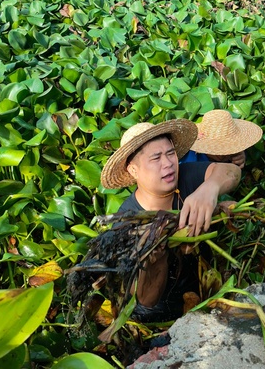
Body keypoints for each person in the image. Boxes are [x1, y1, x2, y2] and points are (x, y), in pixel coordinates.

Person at [99, 118, 241, 321]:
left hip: (206, 289)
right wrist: (159, 257)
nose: (168, 164)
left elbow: (232, 172)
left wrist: (209, 188)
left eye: (170, 153)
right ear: (133, 170)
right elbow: (147, 299)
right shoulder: (128, 224)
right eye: (156, 158)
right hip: (163, 317)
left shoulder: (185, 177)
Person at [180, 109, 263, 169]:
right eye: (223, 149)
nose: (227, 153)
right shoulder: (187, 162)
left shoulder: (232, 154)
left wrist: (241, 157)